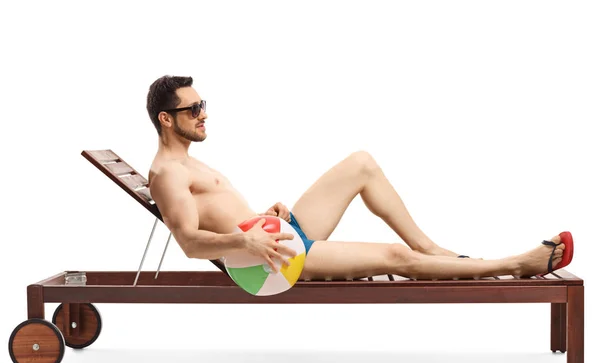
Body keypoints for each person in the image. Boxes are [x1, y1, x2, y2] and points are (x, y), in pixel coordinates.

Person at [146, 75, 570, 281]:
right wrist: (247, 240)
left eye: (204, 104)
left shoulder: (188, 163)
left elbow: (218, 218)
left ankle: (431, 247)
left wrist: (259, 218)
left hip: (274, 237)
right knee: (393, 256)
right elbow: (188, 243)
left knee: (360, 163)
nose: (204, 114)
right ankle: (515, 264)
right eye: (193, 109)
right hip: (273, 264)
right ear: (167, 119)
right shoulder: (167, 173)